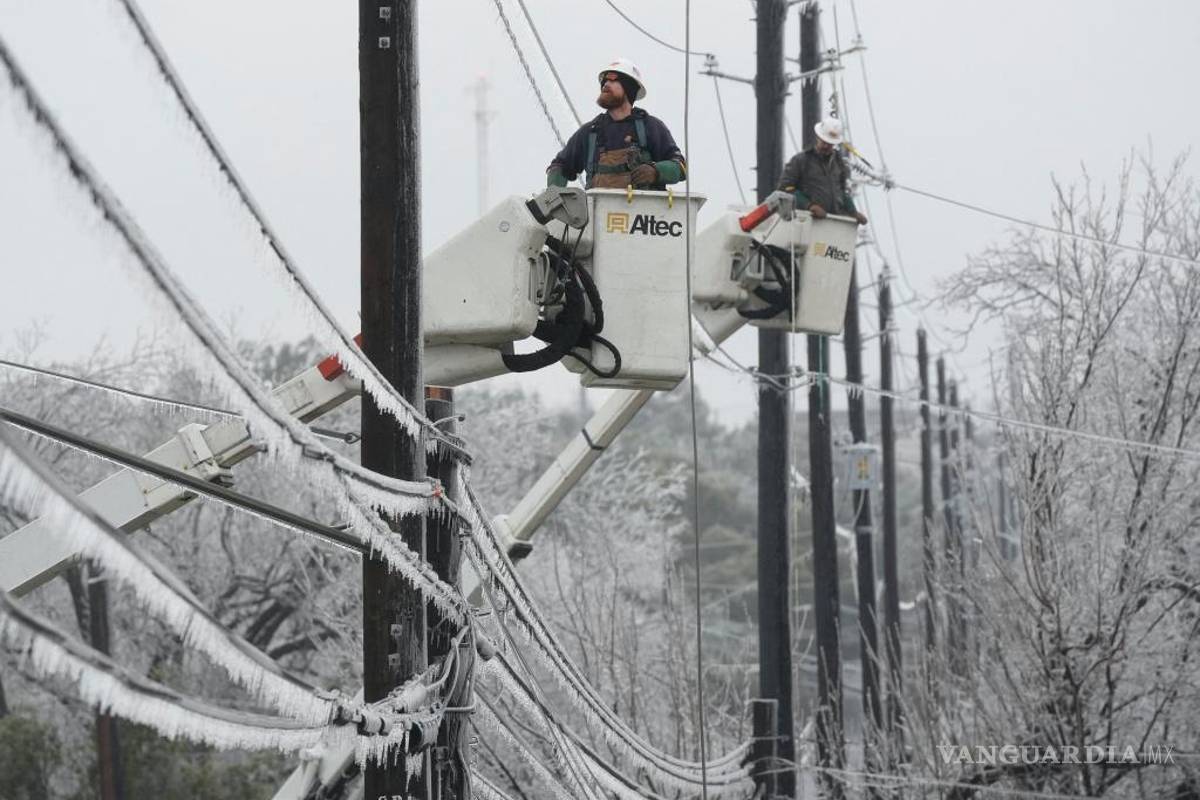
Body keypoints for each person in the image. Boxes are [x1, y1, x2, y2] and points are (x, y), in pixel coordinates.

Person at [546, 59, 686, 191]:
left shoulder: (650, 126)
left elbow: (680, 167)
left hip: (642, 214)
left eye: (613, 79)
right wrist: (553, 195)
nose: (606, 84)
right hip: (599, 214)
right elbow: (560, 166)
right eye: (604, 81)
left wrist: (656, 171)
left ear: (629, 88)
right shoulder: (590, 132)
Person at [778, 118, 868, 225]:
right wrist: (809, 205)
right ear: (818, 137)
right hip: (806, 222)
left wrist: (853, 212)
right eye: (824, 142)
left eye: (830, 143)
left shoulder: (839, 164)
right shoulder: (801, 161)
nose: (826, 146)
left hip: (832, 222)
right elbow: (785, 189)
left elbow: (842, 192)